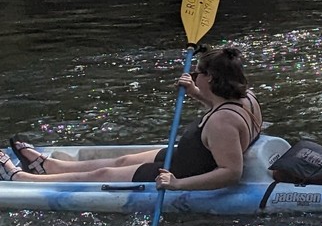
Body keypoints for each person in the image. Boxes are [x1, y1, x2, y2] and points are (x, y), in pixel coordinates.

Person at [3, 45, 262, 188]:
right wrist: (195, 92)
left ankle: (24, 179)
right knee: (123, 159)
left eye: (197, 75)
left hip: (180, 173)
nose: (194, 78)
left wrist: (176, 185)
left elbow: (231, 172)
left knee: (102, 174)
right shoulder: (246, 98)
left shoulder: (221, 123)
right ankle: (52, 167)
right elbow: (219, 104)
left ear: (212, 79)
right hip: (183, 156)